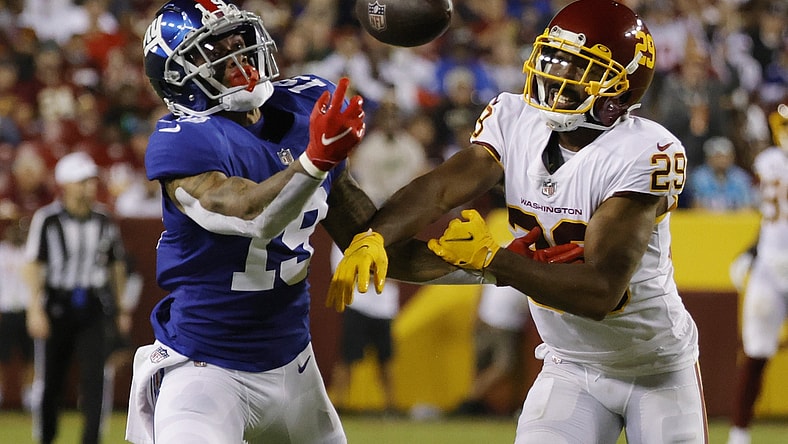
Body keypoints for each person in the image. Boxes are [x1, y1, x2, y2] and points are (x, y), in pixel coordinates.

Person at [329, 1, 708, 442]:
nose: (557, 76)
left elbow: (601, 290)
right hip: (568, 363)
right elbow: (441, 187)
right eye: (556, 58)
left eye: (579, 67)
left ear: (622, 87)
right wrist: (375, 235)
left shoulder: (644, 152)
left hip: (656, 368)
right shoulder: (515, 117)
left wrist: (495, 260)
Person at [125, 1, 374, 443]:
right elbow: (251, 214)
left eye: (240, 44)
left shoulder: (304, 104)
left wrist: (491, 265)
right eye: (216, 50)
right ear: (179, 75)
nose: (238, 59)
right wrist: (315, 159)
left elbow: (365, 225)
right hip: (206, 369)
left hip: (296, 366)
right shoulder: (182, 138)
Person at [24, 151, 128, 444]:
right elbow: (33, 264)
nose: (89, 187)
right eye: (82, 182)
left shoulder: (104, 219)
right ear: (66, 184)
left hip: (93, 305)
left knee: (96, 378)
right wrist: (35, 308)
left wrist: (120, 308)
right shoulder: (47, 219)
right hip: (57, 304)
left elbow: (115, 264)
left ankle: (91, 439)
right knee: (51, 380)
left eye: (91, 181)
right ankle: (46, 436)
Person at [727, 104, 788, 444]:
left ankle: (739, 433)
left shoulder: (768, 162)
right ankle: (738, 433)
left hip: (769, 263)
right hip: (769, 264)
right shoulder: (770, 163)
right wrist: (752, 251)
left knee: (755, 356)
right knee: (756, 353)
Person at [0, 216, 34, 410]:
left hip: (26, 310)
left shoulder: (30, 253)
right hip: (5, 310)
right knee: (2, 356)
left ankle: (29, 397)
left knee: (30, 357)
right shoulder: (1, 252)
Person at [688, 136, 757, 211]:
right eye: (718, 156)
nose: (722, 160)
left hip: (735, 221)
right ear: (709, 158)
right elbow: (696, 207)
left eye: (725, 156)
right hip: (707, 220)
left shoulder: (741, 177)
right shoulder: (699, 177)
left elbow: (748, 207)